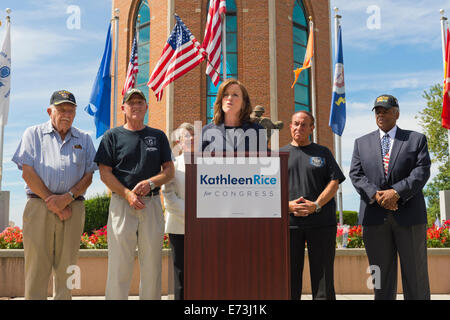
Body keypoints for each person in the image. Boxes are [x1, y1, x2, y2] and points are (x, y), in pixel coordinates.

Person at [12, 90, 96, 300]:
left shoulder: (84, 139)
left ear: (75, 113)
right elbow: (27, 172)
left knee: (68, 268)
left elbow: (88, 176)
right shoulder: (32, 134)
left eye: (71, 110)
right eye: (61, 109)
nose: (66, 114)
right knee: (37, 267)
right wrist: (53, 201)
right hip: (39, 206)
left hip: (73, 208)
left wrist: (66, 198)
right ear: (50, 111)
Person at [95, 88, 174, 300]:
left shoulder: (157, 136)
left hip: (152, 204)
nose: (136, 106)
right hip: (122, 204)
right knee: (119, 263)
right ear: (123, 108)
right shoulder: (111, 136)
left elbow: (169, 171)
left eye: (140, 102)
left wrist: (150, 182)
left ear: (147, 107)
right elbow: (104, 173)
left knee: (152, 264)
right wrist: (128, 194)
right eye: (131, 103)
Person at [349, 94, 431, 300]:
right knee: (379, 276)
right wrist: (376, 195)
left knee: (416, 275)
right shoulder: (361, 143)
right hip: (374, 218)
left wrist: (396, 192)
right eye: (377, 110)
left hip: (409, 217)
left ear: (397, 113)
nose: (381, 114)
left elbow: (421, 172)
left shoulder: (416, 139)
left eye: (385, 110)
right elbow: (356, 175)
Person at [280, 110, 345, 300]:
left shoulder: (323, 152)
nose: (299, 127)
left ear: (312, 128)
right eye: (295, 123)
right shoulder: (279, 155)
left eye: (304, 124)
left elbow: (334, 182)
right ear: (290, 126)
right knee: (289, 278)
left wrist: (316, 205)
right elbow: (270, 189)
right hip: (289, 225)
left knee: (323, 278)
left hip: (322, 225)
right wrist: (288, 206)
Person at [161, 122, 194, 300]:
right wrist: (193, 214)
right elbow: (169, 197)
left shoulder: (209, 165)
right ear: (180, 143)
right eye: (186, 136)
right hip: (178, 227)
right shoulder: (172, 166)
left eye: (193, 136)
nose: (191, 139)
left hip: (202, 228)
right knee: (181, 275)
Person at [201, 78, 267, 153]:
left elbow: (265, 160)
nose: (229, 98)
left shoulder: (257, 130)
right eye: (225, 95)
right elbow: (198, 162)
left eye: (235, 95)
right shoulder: (207, 131)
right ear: (220, 100)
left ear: (244, 103)